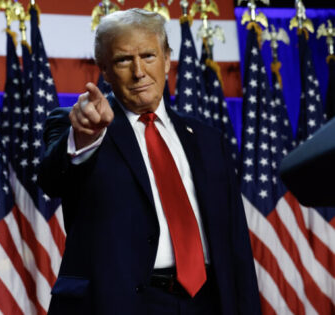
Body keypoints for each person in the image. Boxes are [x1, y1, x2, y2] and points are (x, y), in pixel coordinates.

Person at [38, 8, 261, 315]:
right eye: (123, 60)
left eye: (148, 56)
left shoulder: (209, 140)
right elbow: (52, 180)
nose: (139, 71)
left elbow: (236, 243)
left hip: (207, 303)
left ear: (168, 59)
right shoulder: (79, 127)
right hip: (119, 305)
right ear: (104, 70)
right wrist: (86, 137)